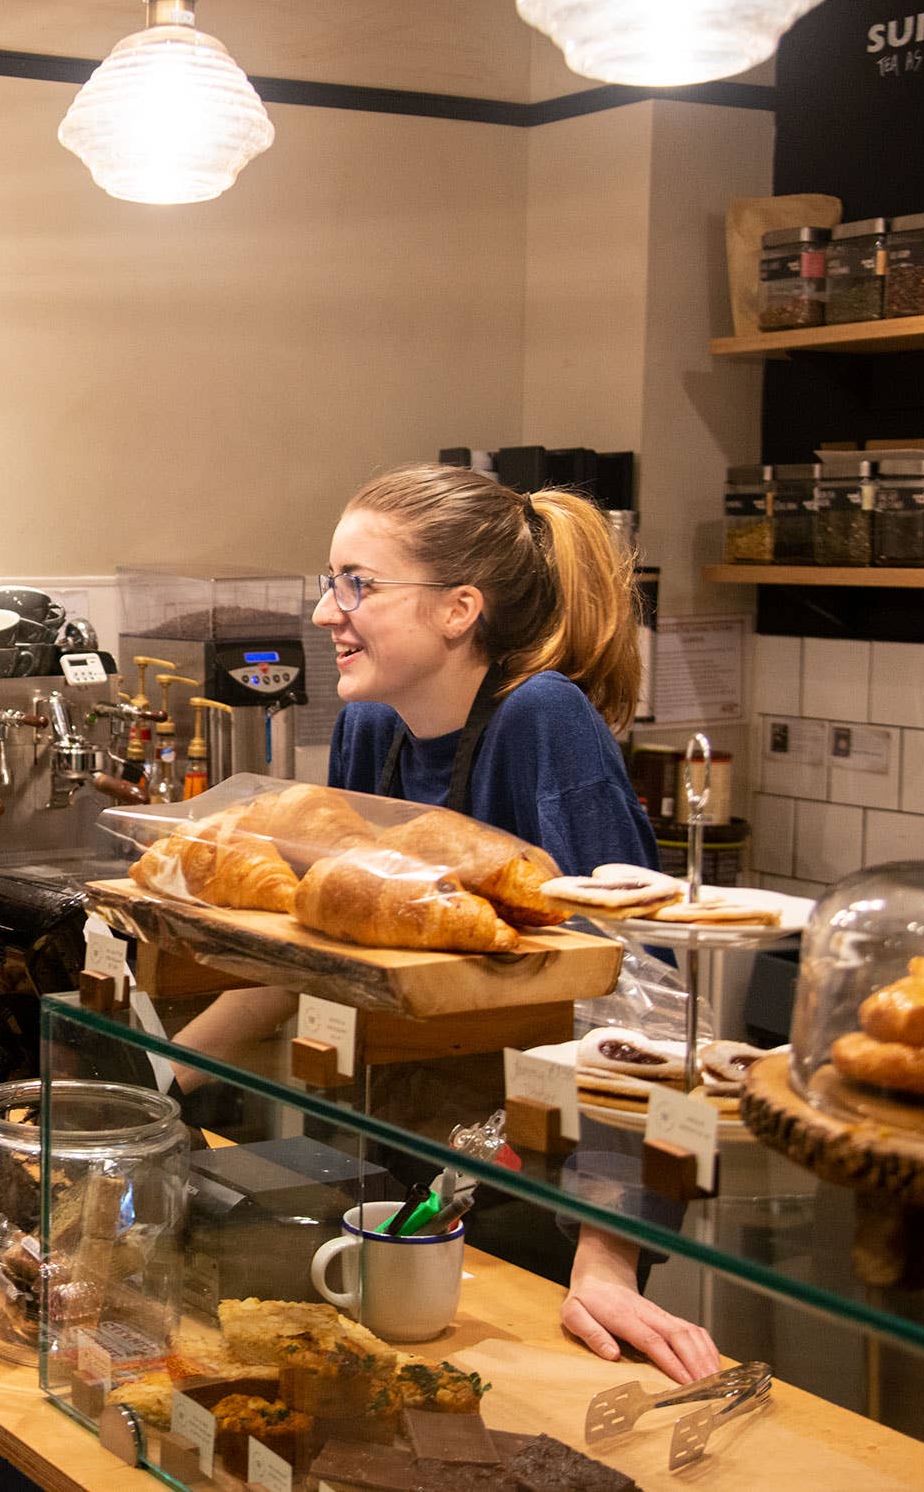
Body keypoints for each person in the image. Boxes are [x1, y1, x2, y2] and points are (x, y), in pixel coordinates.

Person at [175, 465, 718, 1384]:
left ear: (459, 608)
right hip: (409, 1158)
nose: (326, 611)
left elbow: (639, 1008)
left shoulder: (541, 720)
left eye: (358, 584)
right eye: (329, 582)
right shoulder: (371, 727)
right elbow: (319, 950)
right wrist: (159, 1079)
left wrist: (607, 1260)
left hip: (552, 1194)